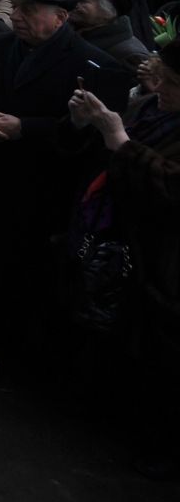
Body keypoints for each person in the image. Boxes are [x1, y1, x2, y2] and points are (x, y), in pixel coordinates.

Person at [0, 0, 132, 350]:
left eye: (29, 11)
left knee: (24, 274)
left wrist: (26, 128)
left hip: (41, 193)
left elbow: (89, 138)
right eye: (16, 8)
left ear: (60, 18)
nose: (17, 17)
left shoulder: (97, 66)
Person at [67, 50, 180, 471]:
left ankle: (164, 449)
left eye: (170, 82)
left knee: (164, 357)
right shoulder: (153, 107)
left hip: (165, 266)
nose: (158, 87)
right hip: (128, 251)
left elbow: (170, 190)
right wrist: (92, 123)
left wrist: (121, 143)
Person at [70, 0, 153, 70]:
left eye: (83, 0)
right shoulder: (71, 35)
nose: (73, 4)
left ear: (109, 9)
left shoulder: (130, 55)